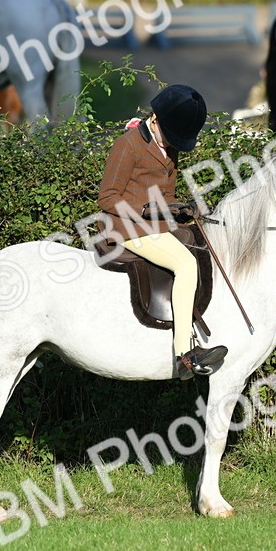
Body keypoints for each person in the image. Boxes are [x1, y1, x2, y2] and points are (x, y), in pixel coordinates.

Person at [98, 84, 228, 380]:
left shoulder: (168, 148)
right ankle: (185, 353)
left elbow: (164, 195)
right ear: (154, 119)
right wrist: (144, 210)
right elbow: (107, 196)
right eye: (171, 135)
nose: (173, 144)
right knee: (185, 264)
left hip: (155, 224)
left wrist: (181, 207)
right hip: (127, 226)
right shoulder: (127, 144)